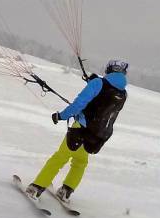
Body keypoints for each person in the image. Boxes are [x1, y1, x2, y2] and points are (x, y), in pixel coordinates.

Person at [25, 59, 128, 202]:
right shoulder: (123, 93)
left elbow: (79, 104)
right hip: (98, 135)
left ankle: (36, 187)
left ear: (109, 70)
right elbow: (103, 101)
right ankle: (66, 191)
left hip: (81, 129)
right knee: (80, 161)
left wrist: (61, 116)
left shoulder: (98, 83)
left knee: (60, 157)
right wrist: (94, 82)